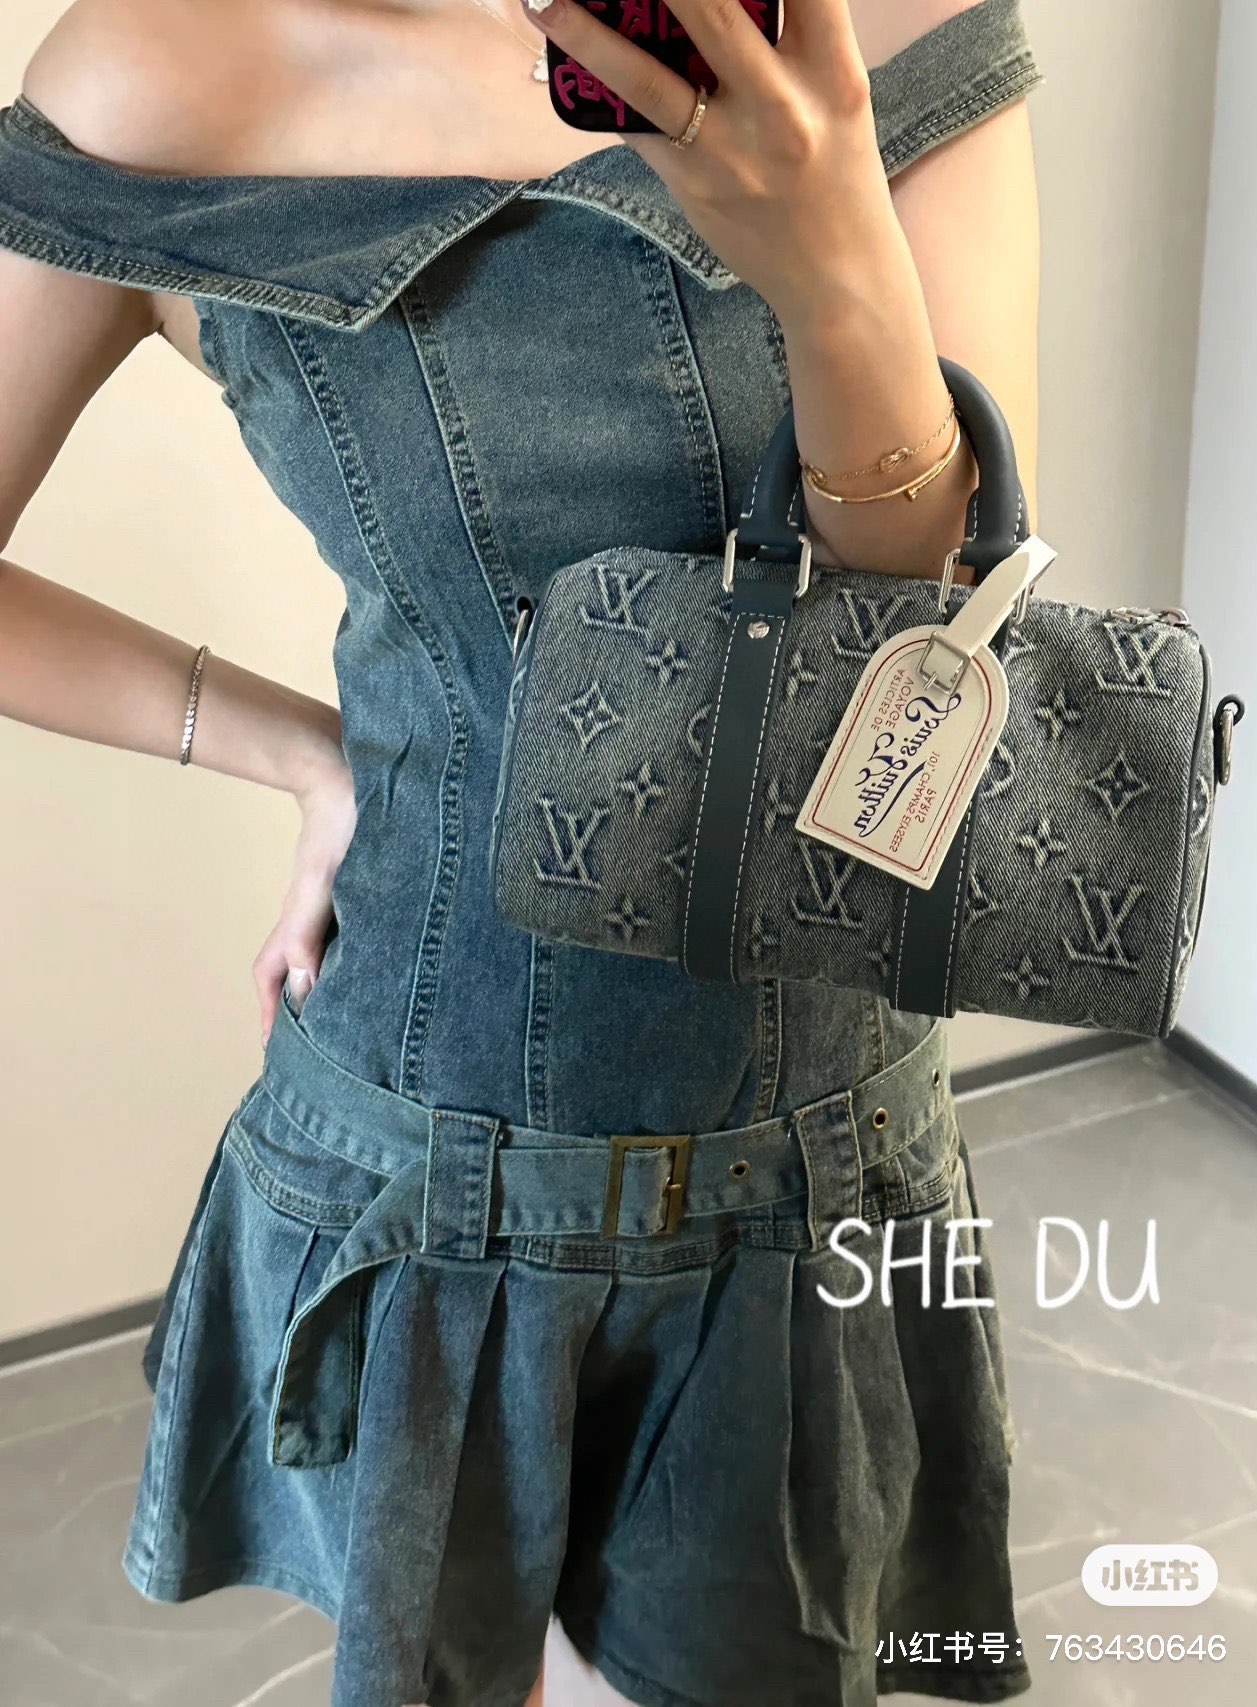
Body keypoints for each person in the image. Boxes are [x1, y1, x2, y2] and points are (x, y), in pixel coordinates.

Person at [0, 1, 1043, 1703]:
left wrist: (835, 262)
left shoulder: (878, 23)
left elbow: (941, 665)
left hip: (816, 1144)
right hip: (430, 1153)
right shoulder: (164, 60)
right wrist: (303, 756)